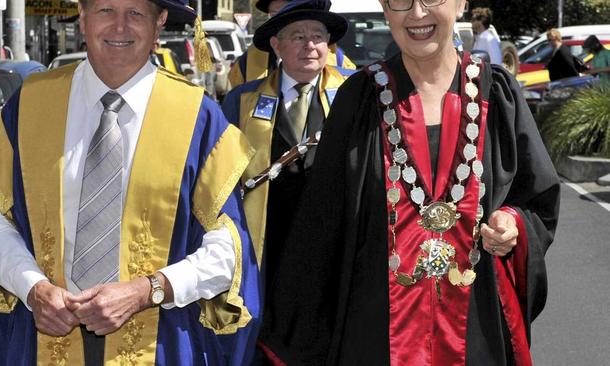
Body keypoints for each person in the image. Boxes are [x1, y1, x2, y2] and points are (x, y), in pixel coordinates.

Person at [259, 0, 560, 364]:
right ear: (386, 10)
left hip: (476, 328)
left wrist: (512, 222)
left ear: (461, 3)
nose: (417, 14)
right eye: (400, 1)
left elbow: (537, 199)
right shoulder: (358, 100)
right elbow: (322, 225)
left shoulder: (497, 95)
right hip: (374, 335)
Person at [0, 0, 260, 365]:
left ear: (159, 23)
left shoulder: (197, 116)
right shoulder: (30, 104)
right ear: (82, 17)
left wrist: (147, 290)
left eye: (136, 13)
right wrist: (33, 288)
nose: (120, 27)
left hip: (159, 339)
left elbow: (228, 249)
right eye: (106, 10)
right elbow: (0, 224)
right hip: (44, 335)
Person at [221, 0, 349, 363]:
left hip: (332, 248)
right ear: (276, 45)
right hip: (268, 248)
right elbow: (222, 180)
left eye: (318, 37)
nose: (310, 45)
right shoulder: (242, 101)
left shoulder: (356, 94)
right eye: (298, 36)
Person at [227, 0, 356, 88]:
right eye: (274, 15)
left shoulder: (339, 63)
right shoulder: (247, 64)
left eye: (288, 13)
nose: (280, 21)